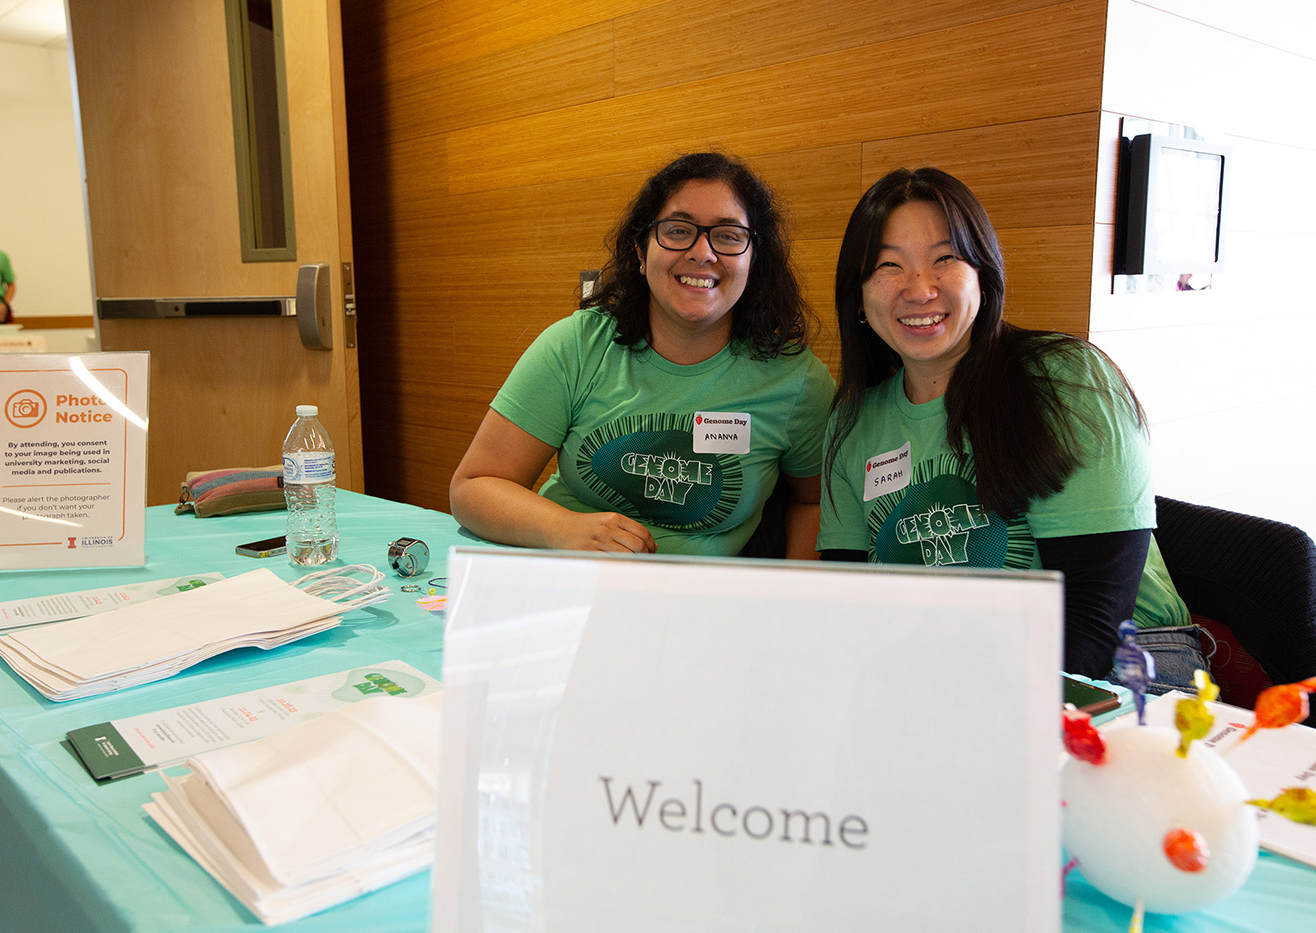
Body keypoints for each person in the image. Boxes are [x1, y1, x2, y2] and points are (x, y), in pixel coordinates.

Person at [818, 166, 1199, 684]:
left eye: (944, 258)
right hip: (948, 674)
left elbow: (1091, 618)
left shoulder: (1062, 380)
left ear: (983, 273)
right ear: (858, 294)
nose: (919, 288)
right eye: (888, 265)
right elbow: (853, 603)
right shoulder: (853, 423)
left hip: (1122, 666)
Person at [451, 151, 835, 557]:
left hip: (699, 607)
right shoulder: (578, 345)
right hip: (565, 583)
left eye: (727, 235)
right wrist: (563, 528)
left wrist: (791, 600)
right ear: (640, 250)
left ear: (754, 260)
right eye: (677, 230)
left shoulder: (797, 381)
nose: (702, 253)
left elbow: (813, 502)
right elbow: (473, 487)